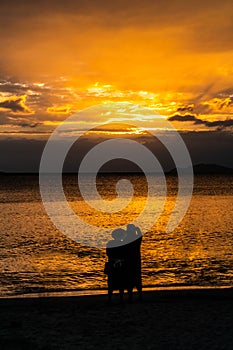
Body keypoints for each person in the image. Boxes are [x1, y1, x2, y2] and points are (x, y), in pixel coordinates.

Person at [105, 228, 127, 302]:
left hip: (112, 263)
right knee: (121, 281)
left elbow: (108, 253)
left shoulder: (110, 243)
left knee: (111, 282)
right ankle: (121, 298)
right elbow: (124, 254)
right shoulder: (123, 244)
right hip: (120, 264)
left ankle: (110, 299)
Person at [124, 224, 142, 301]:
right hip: (136, 260)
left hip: (128, 260)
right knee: (137, 277)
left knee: (129, 278)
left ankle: (130, 295)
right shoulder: (136, 239)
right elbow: (140, 236)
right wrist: (137, 229)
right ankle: (140, 294)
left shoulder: (126, 239)